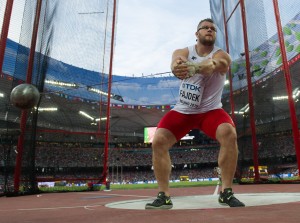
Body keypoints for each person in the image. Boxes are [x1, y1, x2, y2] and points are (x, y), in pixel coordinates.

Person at [145, 18, 245, 209]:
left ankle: (226, 192)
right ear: (196, 33)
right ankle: (163, 195)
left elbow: (214, 65)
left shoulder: (222, 55)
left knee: (229, 134)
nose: (209, 30)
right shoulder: (183, 51)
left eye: (212, 29)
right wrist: (178, 66)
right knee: (158, 140)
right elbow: (176, 63)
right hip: (184, 110)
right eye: (205, 28)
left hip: (210, 111)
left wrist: (196, 67)